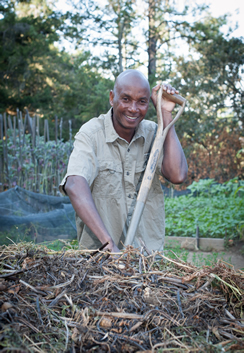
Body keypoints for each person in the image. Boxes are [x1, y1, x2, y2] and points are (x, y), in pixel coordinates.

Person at [59, 69, 188, 253]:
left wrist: (166, 115)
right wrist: (108, 245)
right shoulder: (92, 134)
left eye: (142, 102)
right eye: (126, 99)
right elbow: (74, 184)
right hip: (100, 260)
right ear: (112, 98)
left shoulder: (155, 133)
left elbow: (177, 175)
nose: (133, 108)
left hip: (146, 259)